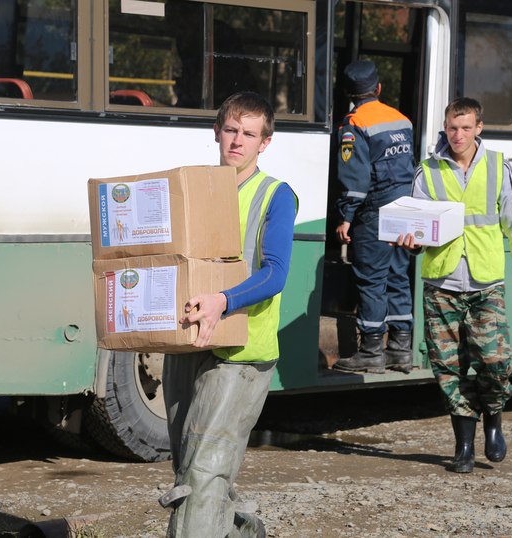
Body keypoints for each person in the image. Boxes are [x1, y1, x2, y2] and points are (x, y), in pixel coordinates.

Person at [159, 91, 298, 537]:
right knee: (189, 470)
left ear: (265, 143)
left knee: (204, 472)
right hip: (187, 342)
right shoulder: (194, 188)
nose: (238, 141)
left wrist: (223, 300)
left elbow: (275, 274)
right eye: (232, 130)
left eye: (250, 134)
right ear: (217, 132)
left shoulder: (276, 196)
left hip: (241, 352)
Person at [397, 97, 512, 473]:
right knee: (447, 368)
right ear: (444, 129)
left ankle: (493, 416)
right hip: (441, 282)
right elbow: (417, 227)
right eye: (451, 128)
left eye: (465, 127)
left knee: (495, 361)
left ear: (479, 128)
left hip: (485, 283)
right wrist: (411, 241)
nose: (457, 135)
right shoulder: (426, 171)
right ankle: (463, 445)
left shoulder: (498, 168)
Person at [332, 60, 415, 374]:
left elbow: (355, 177)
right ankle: (400, 349)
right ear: (379, 88)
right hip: (405, 208)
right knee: (397, 275)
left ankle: (370, 352)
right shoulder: (402, 120)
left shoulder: (354, 124)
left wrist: (345, 217)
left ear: (349, 94)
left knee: (371, 281)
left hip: (375, 212)